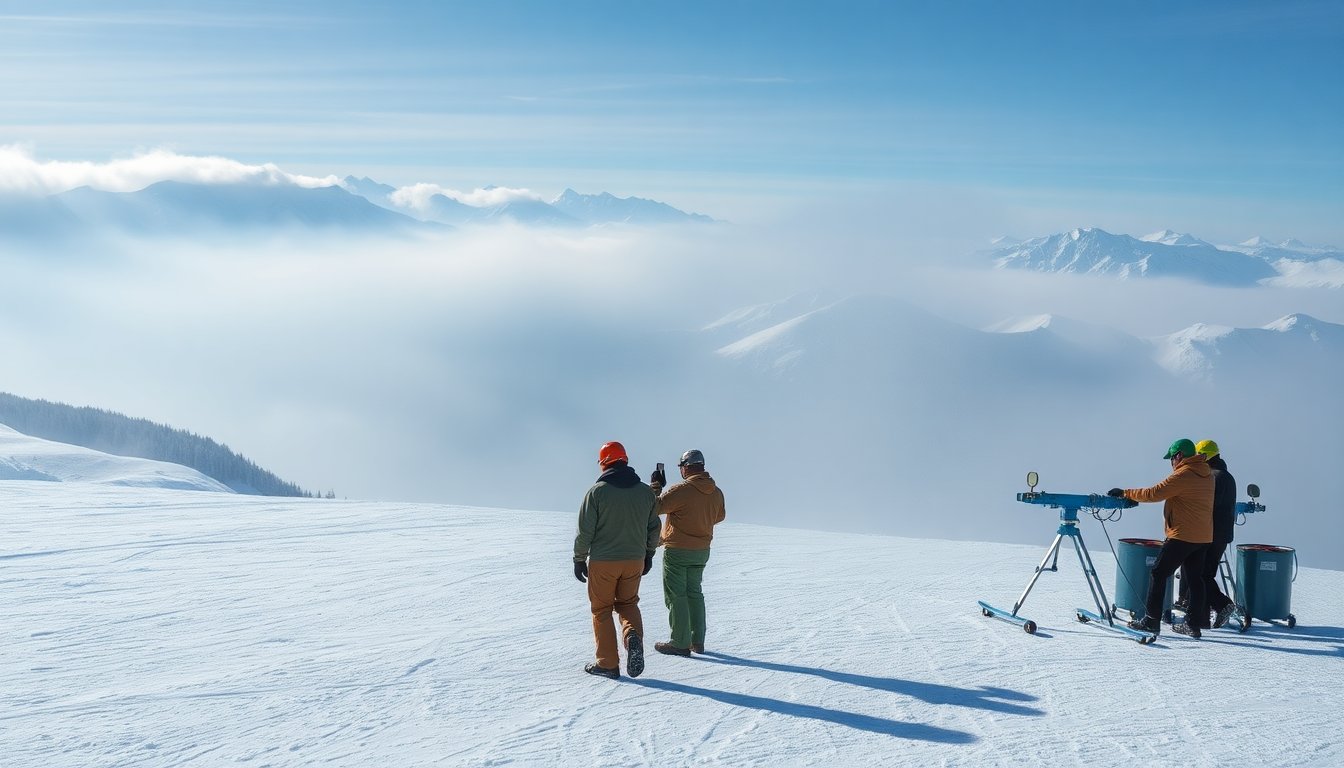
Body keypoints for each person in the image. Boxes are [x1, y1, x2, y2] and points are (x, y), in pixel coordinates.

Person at [1108, 438, 1214, 639]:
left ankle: (1151, 621)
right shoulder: (1207, 475)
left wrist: (1125, 493)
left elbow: (1154, 493)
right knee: (1195, 578)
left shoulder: (1184, 475)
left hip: (1182, 535)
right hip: (1203, 536)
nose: (1171, 463)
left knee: (1158, 573)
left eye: (1172, 458)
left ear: (1179, 455)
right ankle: (1194, 624)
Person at [573, 441, 661, 679]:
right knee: (628, 604)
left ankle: (608, 664)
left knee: (601, 609)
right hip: (634, 560)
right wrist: (649, 554)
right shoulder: (645, 492)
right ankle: (632, 635)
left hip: (604, 561)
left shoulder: (597, 492)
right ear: (625, 460)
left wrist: (579, 558)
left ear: (604, 463)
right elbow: (654, 528)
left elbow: (585, 530)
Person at [649, 449, 726, 656]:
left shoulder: (681, 490)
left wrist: (656, 488)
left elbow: (654, 508)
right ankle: (697, 641)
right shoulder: (716, 492)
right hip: (702, 551)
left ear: (686, 467)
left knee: (676, 596)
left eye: (681, 467)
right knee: (695, 594)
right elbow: (719, 516)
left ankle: (680, 643)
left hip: (678, 550)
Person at [1175, 439, 1238, 629]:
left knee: (1199, 575)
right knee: (1204, 574)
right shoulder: (1226, 476)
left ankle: (1222, 604)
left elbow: (1205, 505)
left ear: (1205, 456)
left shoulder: (1214, 476)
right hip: (1221, 535)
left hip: (1209, 534)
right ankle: (1201, 619)